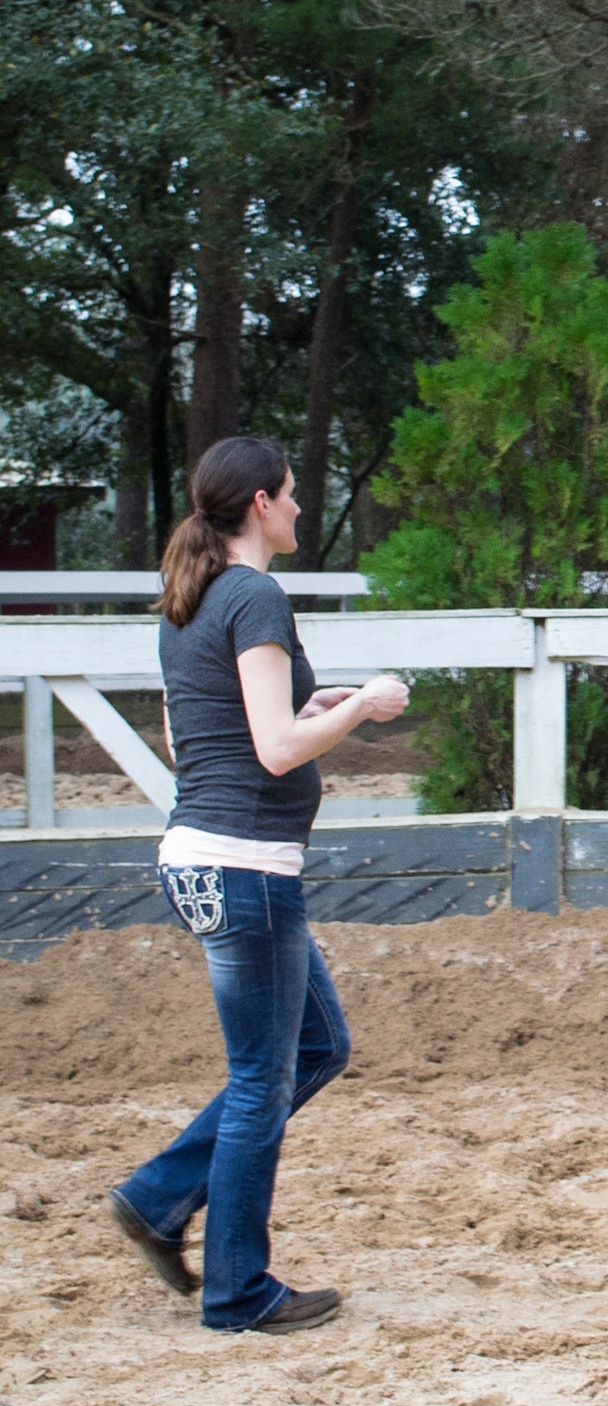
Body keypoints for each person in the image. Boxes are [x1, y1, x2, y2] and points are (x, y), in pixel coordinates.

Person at [104, 436, 409, 1333]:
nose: (301, 509)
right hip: (249, 870)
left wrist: (318, 704)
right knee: (259, 1081)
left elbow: (193, 733)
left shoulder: (188, 600)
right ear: (262, 505)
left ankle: (160, 1197)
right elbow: (273, 751)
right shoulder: (255, 593)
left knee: (316, 1048)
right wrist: (360, 705)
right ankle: (239, 1292)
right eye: (291, 494)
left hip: (198, 858)